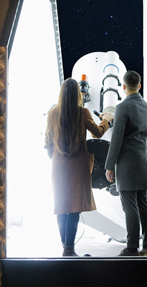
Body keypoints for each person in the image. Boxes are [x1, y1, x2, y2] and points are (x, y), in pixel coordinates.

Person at [45, 78, 113, 257]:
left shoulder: (53, 114)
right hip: (78, 165)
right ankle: (69, 249)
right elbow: (97, 133)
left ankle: (65, 246)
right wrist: (106, 120)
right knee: (74, 206)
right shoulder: (82, 112)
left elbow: (47, 142)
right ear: (77, 94)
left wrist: (55, 157)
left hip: (59, 165)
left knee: (62, 206)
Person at [104, 70, 147, 257]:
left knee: (129, 206)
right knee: (143, 202)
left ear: (123, 87)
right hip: (143, 158)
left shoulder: (122, 107)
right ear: (139, 86)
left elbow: (117, 138)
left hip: (127, 161)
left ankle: (132, 247)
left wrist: (109, 165)